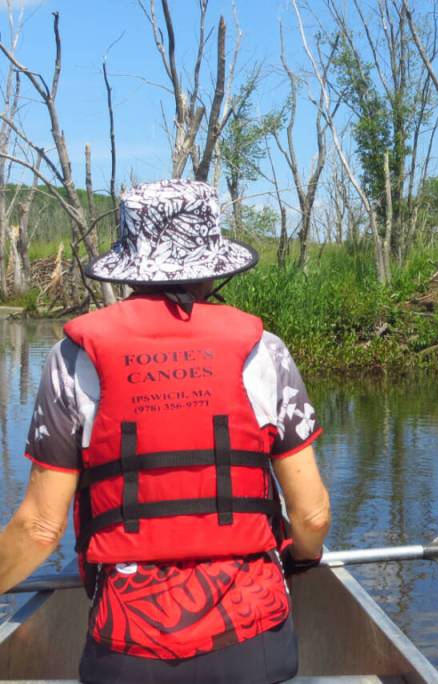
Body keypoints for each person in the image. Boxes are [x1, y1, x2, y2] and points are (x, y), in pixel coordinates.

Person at [0, 179, 330, 683]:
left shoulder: (73, 359)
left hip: (129, 642)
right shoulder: (264, 351)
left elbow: (41, 529)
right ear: (211, 266)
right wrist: (303, 559)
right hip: (253, 639)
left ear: (131, 267)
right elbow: (311, 514)